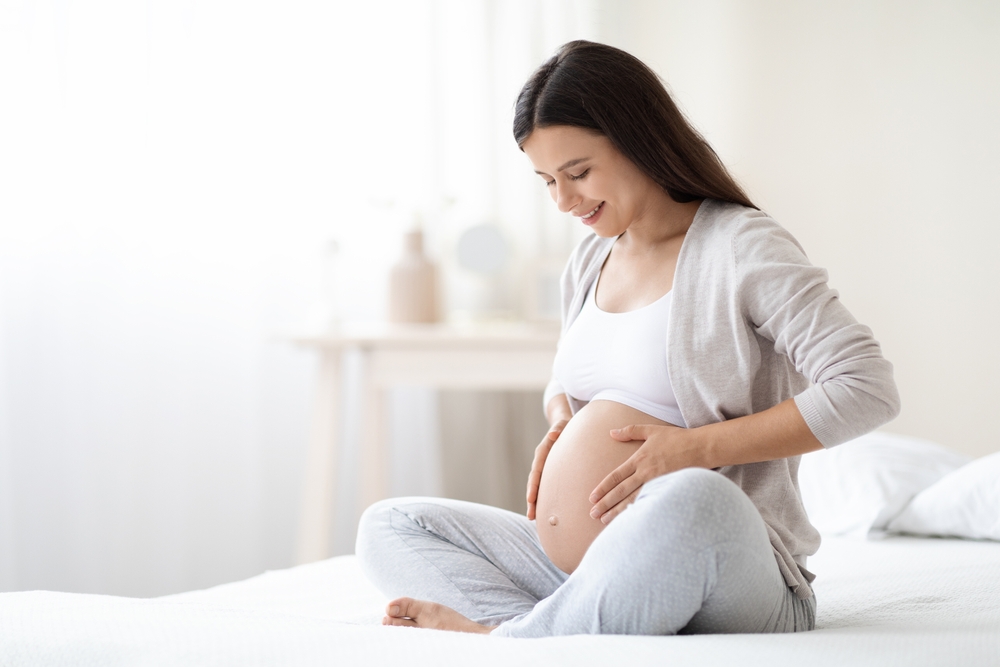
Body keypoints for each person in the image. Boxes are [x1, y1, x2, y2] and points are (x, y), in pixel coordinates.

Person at [354, 40, 899, 637]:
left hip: (722, 563)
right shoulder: (589, 259)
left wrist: (694, 449)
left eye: (578, 173)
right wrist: (562, 420)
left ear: (638, 138)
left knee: (694, 499)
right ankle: (564, 622)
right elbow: (573, 379)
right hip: (590, 569)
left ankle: (513, 639)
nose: (563, 201)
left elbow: (866, 387)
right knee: (391, 525)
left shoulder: (741, 247)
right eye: (546, 181)